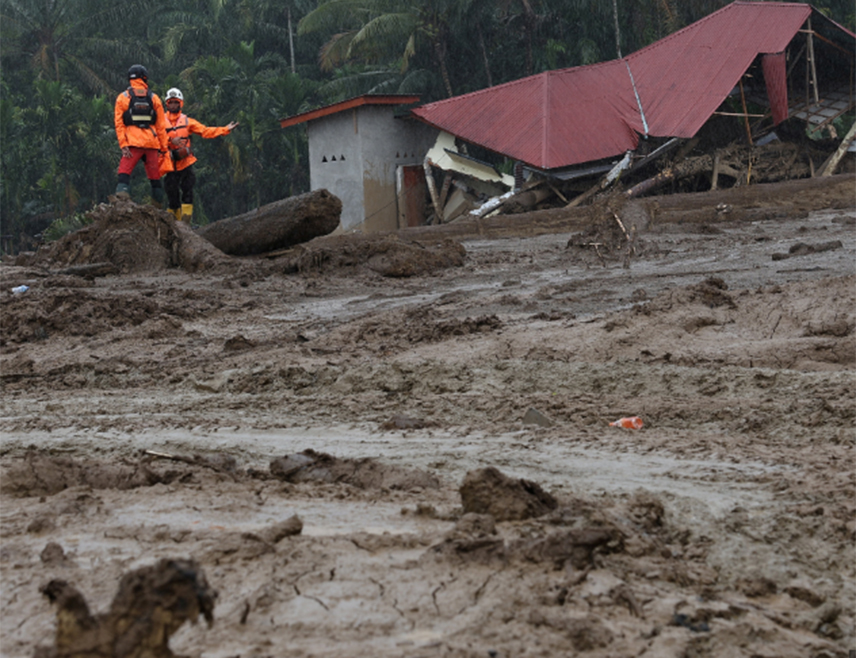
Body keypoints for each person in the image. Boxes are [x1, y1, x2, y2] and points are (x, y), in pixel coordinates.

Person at [160, 88, 239, 223]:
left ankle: (185, 222)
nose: (173, 105)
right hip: (169, 163)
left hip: (186, 162)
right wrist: (169, 141)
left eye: (176, 102)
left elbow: (205, 131)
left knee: (188, 190)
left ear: (180, 104)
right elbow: (153, 138)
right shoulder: (160, 122)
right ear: (167, 104)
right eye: (171, 102)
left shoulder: (187, 121)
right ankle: (174, 224)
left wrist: (225, 130)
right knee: (172, 193)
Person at [113, 65, 169, 206]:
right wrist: (163, 148)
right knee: (154, 177)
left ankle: (122, 203)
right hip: (151, 143)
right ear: (145, 77)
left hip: (132, 143)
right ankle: (157, 207)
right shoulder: (154, 98)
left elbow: (119, 124)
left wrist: (123, 144)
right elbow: (161, 127)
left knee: (124, 172)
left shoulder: (123, 97)